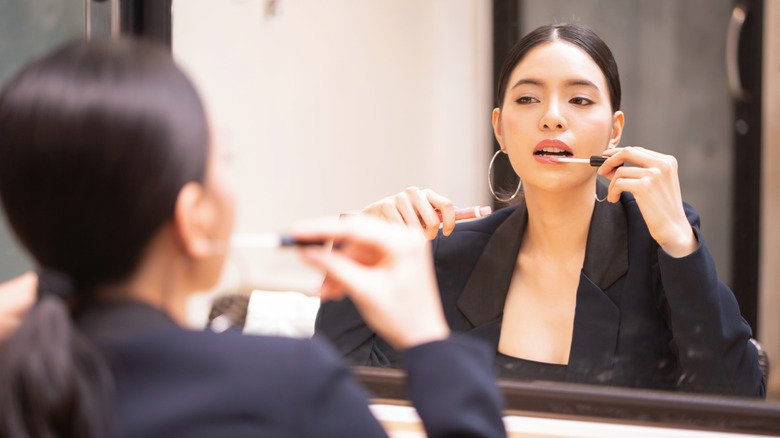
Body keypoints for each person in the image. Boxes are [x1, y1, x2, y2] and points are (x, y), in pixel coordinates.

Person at [0, 39, 506, 437]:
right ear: (194, 218)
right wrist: (426, 338)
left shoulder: (17, 380)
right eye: (224, 159)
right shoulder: (285, 385)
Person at [315, 23, 765, 398]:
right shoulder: (450, 254)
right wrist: (359, 253)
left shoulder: (658, 251)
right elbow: (342, 397)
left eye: (580, 100)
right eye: (528, 99)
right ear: (500, 129)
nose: (552, 117)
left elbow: (738, 402)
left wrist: (680, 244)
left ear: (614, 132)